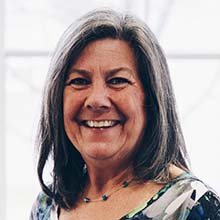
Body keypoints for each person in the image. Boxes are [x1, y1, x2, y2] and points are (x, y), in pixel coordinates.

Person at [30, 9, 220, 220]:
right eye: (80, 81)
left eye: (117, 80)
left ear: (150, 99)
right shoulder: (47, 204)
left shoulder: (191, 205)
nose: (96, 100)